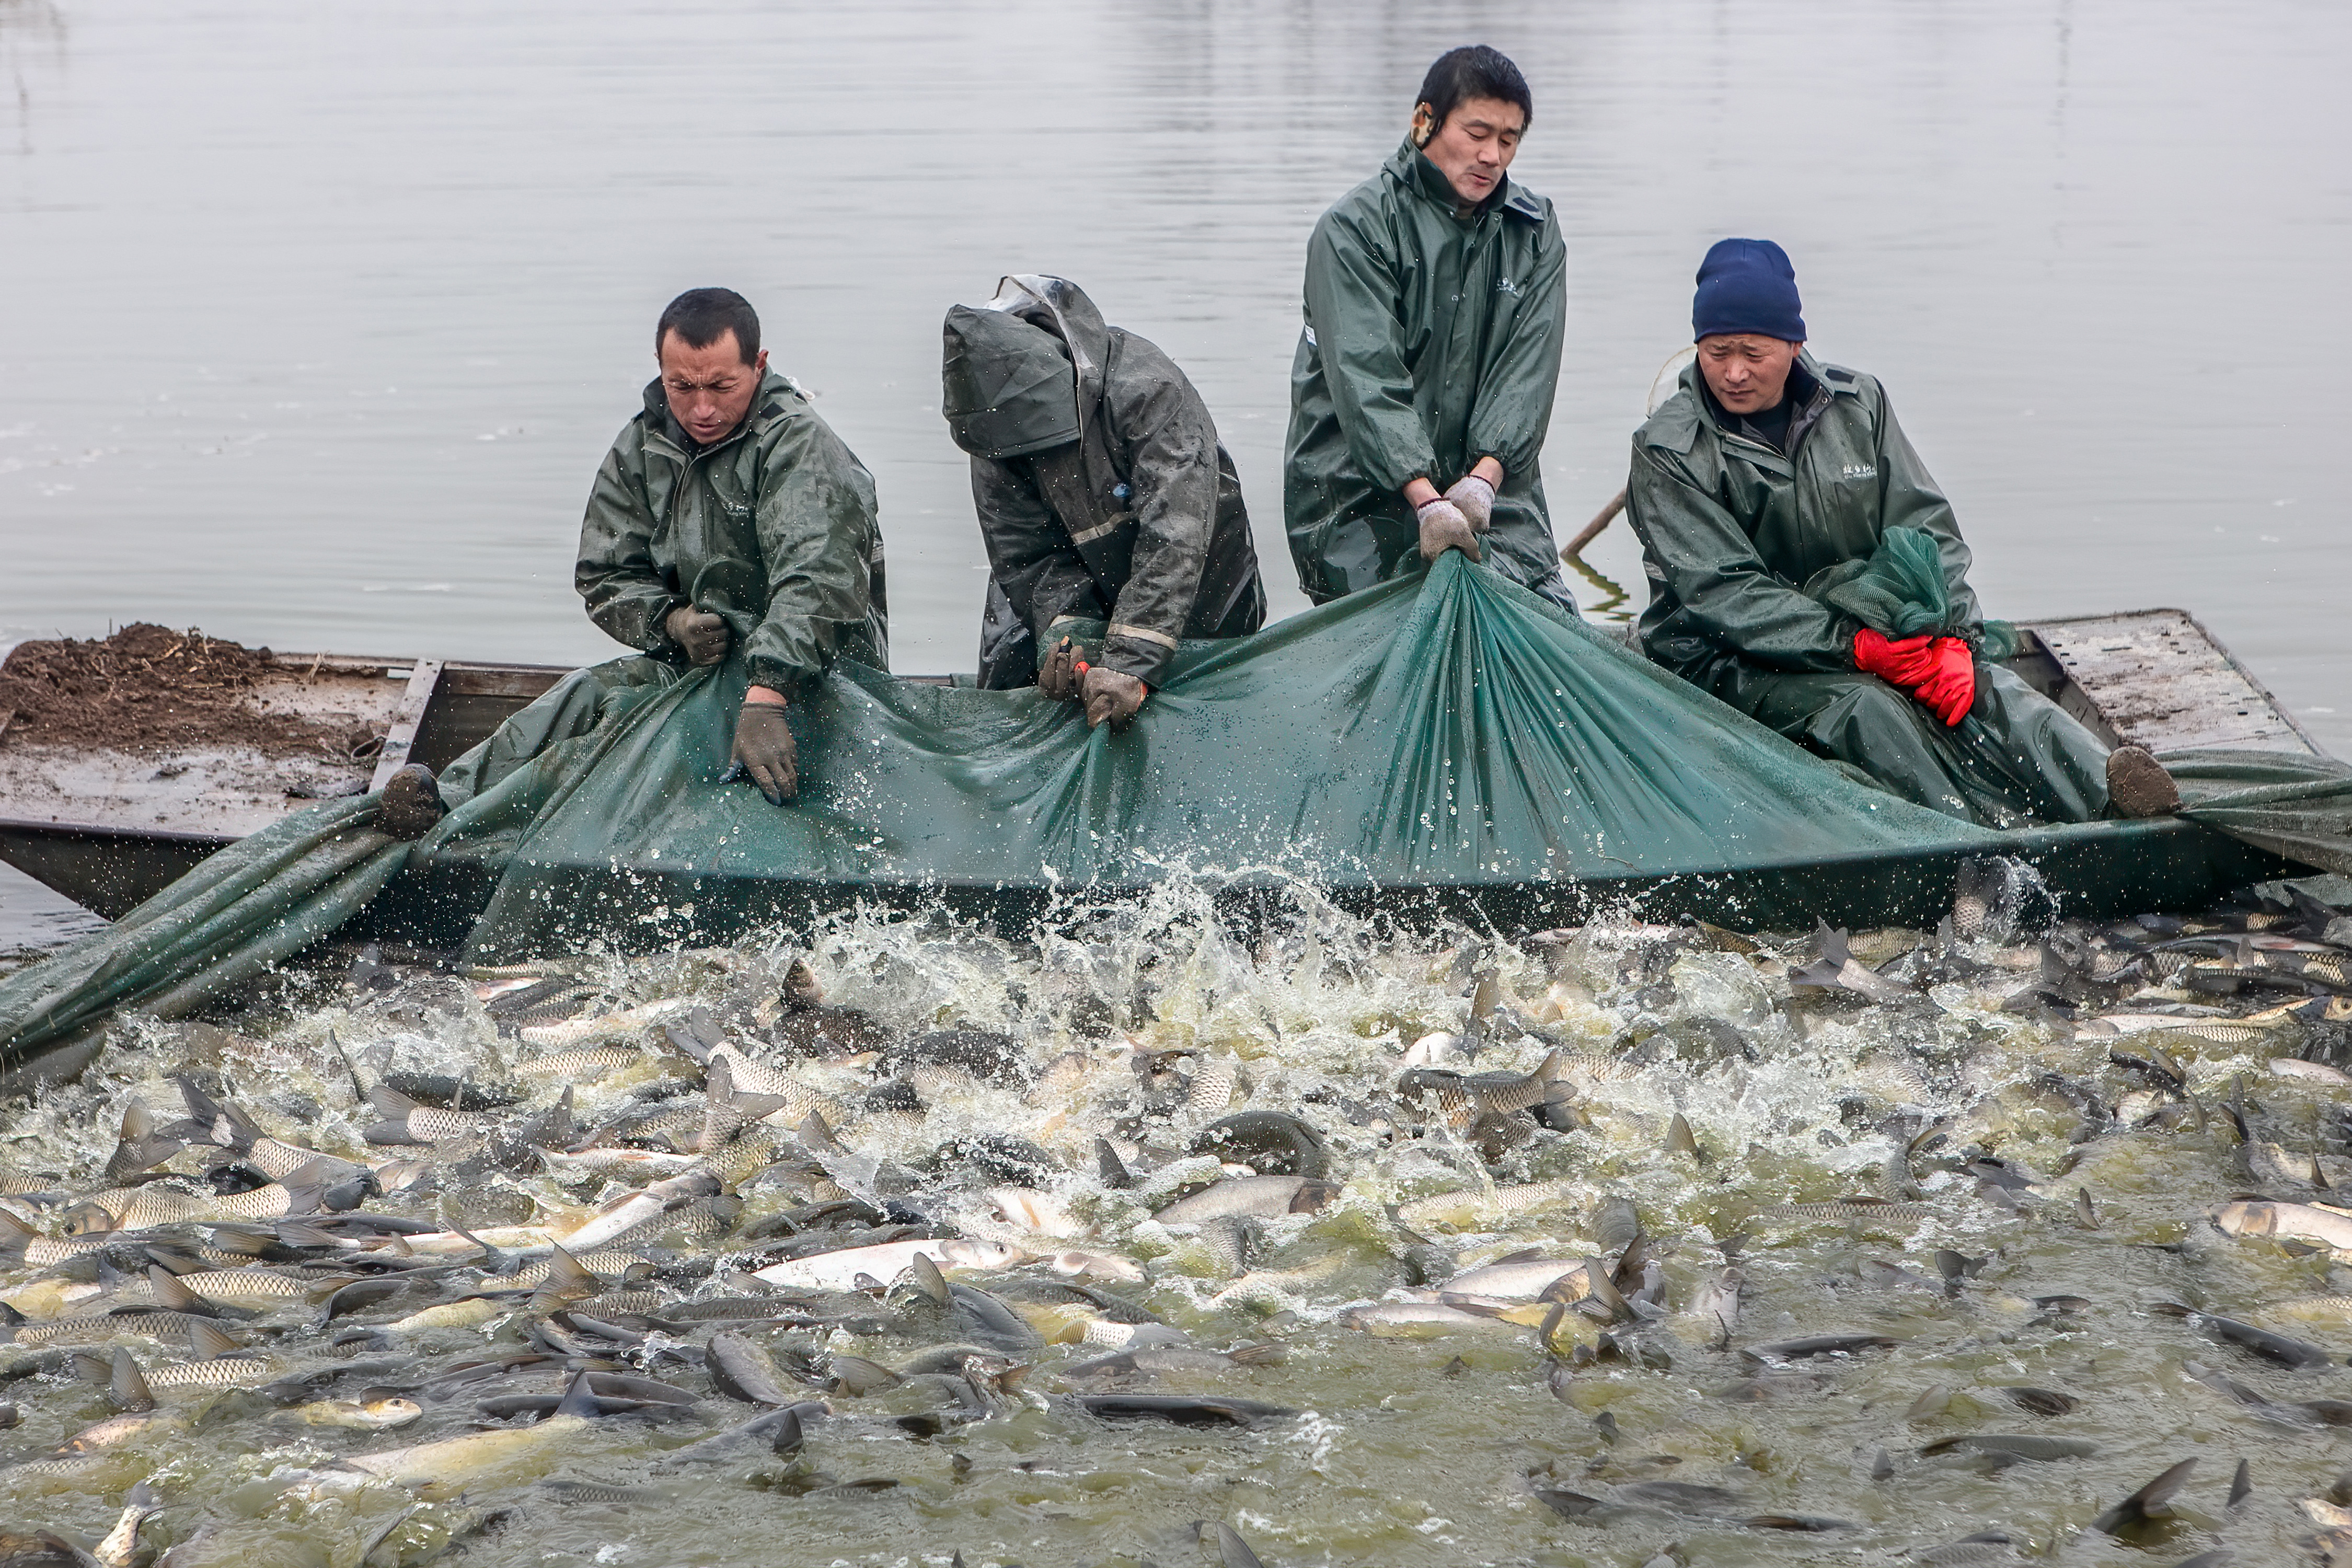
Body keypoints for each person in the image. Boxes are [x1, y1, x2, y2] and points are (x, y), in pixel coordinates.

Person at [1623, 238, 2180, 827]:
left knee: (1988, 691)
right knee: (1870, 711)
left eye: (1753, 352)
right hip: (1726, 661)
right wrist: (1855, 647)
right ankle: (1981, 837)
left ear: (1795, 343)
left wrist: (1955, 644)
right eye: (1716, 352)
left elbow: (1928, 529)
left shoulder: (1859, 405)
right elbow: (1726, 594)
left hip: (1866, 637)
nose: (1733, 373)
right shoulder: (1667, 448)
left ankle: (2117, 797)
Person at [376, 286, 890, 837]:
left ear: (759, 365)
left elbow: (821, 584)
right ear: (660, 368)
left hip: (817, 679)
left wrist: (768, 694)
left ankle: (514, 819)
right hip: (704, 665)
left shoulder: (800, 447)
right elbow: (605, 574)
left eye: (722, 386)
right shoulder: (642, 447)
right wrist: (670, 622)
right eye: (682, 387)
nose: (702, 409)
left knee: (630, 740)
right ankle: (450, 800)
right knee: (583, 695)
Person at [1284, 44, 1576, 612]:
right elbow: (1367, 382)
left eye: (1509, 140)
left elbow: (1527, 373)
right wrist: (1425, 500)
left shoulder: (1534, 231)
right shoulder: (1353, 230)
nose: (1492, 155)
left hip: (1493, 492)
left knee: (1548, 625)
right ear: (1425, 121)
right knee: (1419, 631)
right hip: (1358, 500)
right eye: (1477, 132)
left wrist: (1484, 481)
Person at [942, 274, 1264, 728]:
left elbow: (1176, 534)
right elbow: (1025, 555)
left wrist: (1130, 661)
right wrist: (1069, 637)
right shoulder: (991, 430)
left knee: (1195, 702)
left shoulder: (1149, 389)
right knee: (1018, 667)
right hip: (1078, 560)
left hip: (1196, 569)